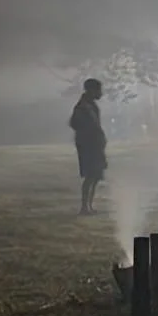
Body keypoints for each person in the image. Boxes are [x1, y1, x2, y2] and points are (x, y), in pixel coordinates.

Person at [70, 78, 107, 214]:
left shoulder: (89, 105)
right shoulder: (83, 107)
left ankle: (89, 206)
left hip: (94, 145)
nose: (101, 93)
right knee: (90, 175)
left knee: (95, 175)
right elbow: (75, 123)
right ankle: (85, 207)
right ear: (91, 90)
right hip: (89, 146)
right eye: (98, 90)